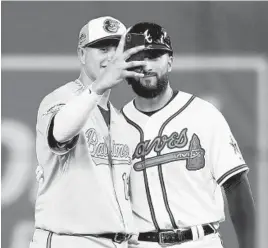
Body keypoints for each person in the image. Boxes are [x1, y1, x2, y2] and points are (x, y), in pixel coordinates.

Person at [121, 22, 256, 248]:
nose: (146, 65)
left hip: (199, 240)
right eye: (138, 57)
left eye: (154, 56)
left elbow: (236, 186)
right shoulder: (116, 124)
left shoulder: (203, 114)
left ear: (170, 62)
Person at [31, 16, 147, 248]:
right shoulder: (59, 100)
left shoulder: (121, 121)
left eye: (119, 49)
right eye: (103, 49)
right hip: (70, 241)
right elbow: (59, 134)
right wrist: (99, 86)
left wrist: (127, 232)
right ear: (82, 54)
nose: (112, 57)